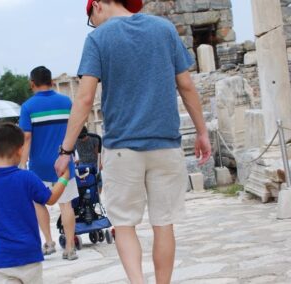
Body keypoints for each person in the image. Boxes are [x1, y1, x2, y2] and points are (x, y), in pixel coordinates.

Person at [54, 1, 212, 283]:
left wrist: (66, 149)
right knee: (164, 224)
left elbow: (85, 98)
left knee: (125, 226)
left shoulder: (98, 39)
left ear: (98, 5)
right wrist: (202, 131)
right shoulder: (163, 30)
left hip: (123, 148)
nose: (93, 23)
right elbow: (186, 85)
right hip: (165, 144)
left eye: (91, 17)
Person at [0, 123, 70, 283]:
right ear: (20, 150)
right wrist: (64, 179)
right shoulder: (27, 178)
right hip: (29, 255)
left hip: (2, 258)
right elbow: (51, 199)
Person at [19, 66, 79, 261]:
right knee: (66, 205)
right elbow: (73, 128)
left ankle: (49, 242)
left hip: (39, 165)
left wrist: (21, 164)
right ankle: (70, 247)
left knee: (38, 203)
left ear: (32, 84)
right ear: (52, 81)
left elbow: (26, 137)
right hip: (63, 161)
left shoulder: (28, 107)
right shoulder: (66, 102)